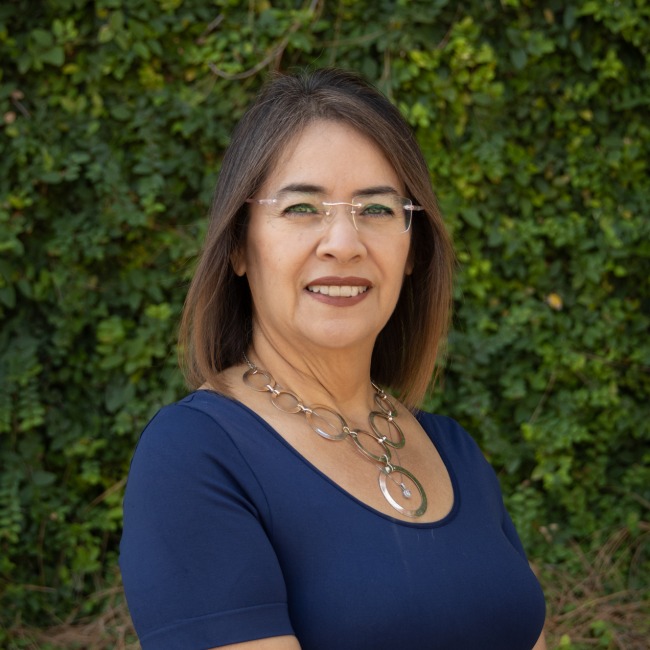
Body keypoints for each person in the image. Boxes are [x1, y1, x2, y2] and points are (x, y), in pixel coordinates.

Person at [119, 68, 547, 650]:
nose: (344, 243)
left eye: (376, 210)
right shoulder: (195, 456)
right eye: (301, 208)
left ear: (413, 249)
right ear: (241, 246)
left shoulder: (456, 453)